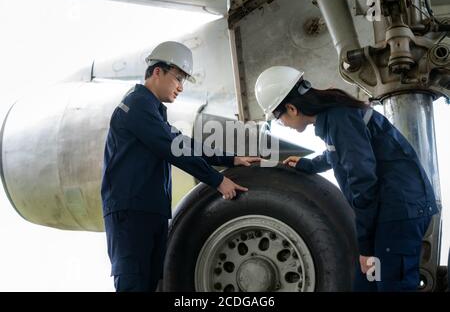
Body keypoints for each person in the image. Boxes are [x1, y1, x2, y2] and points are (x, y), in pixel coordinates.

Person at [254, 66, 439, 292]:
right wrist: (309, 165)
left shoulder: (340, 118)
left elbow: (363, 181)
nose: (282, 124)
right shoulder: (336, 117)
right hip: (391, 209)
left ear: (291, 108)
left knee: (393, 287)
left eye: (278, 117)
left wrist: (366, 246)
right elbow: (342, 154)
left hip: (399, 212)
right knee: (365, 285)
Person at [101, 41, 261, 292]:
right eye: (178, 78)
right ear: (157, 72)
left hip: (150, 211)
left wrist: (230, 159)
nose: (181, 88)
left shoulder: (152, 110)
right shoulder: (136, 106)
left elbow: (183, 144)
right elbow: (172, 148)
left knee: (155, 284)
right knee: (134, 282)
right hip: (131, 213)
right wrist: (217, 180)